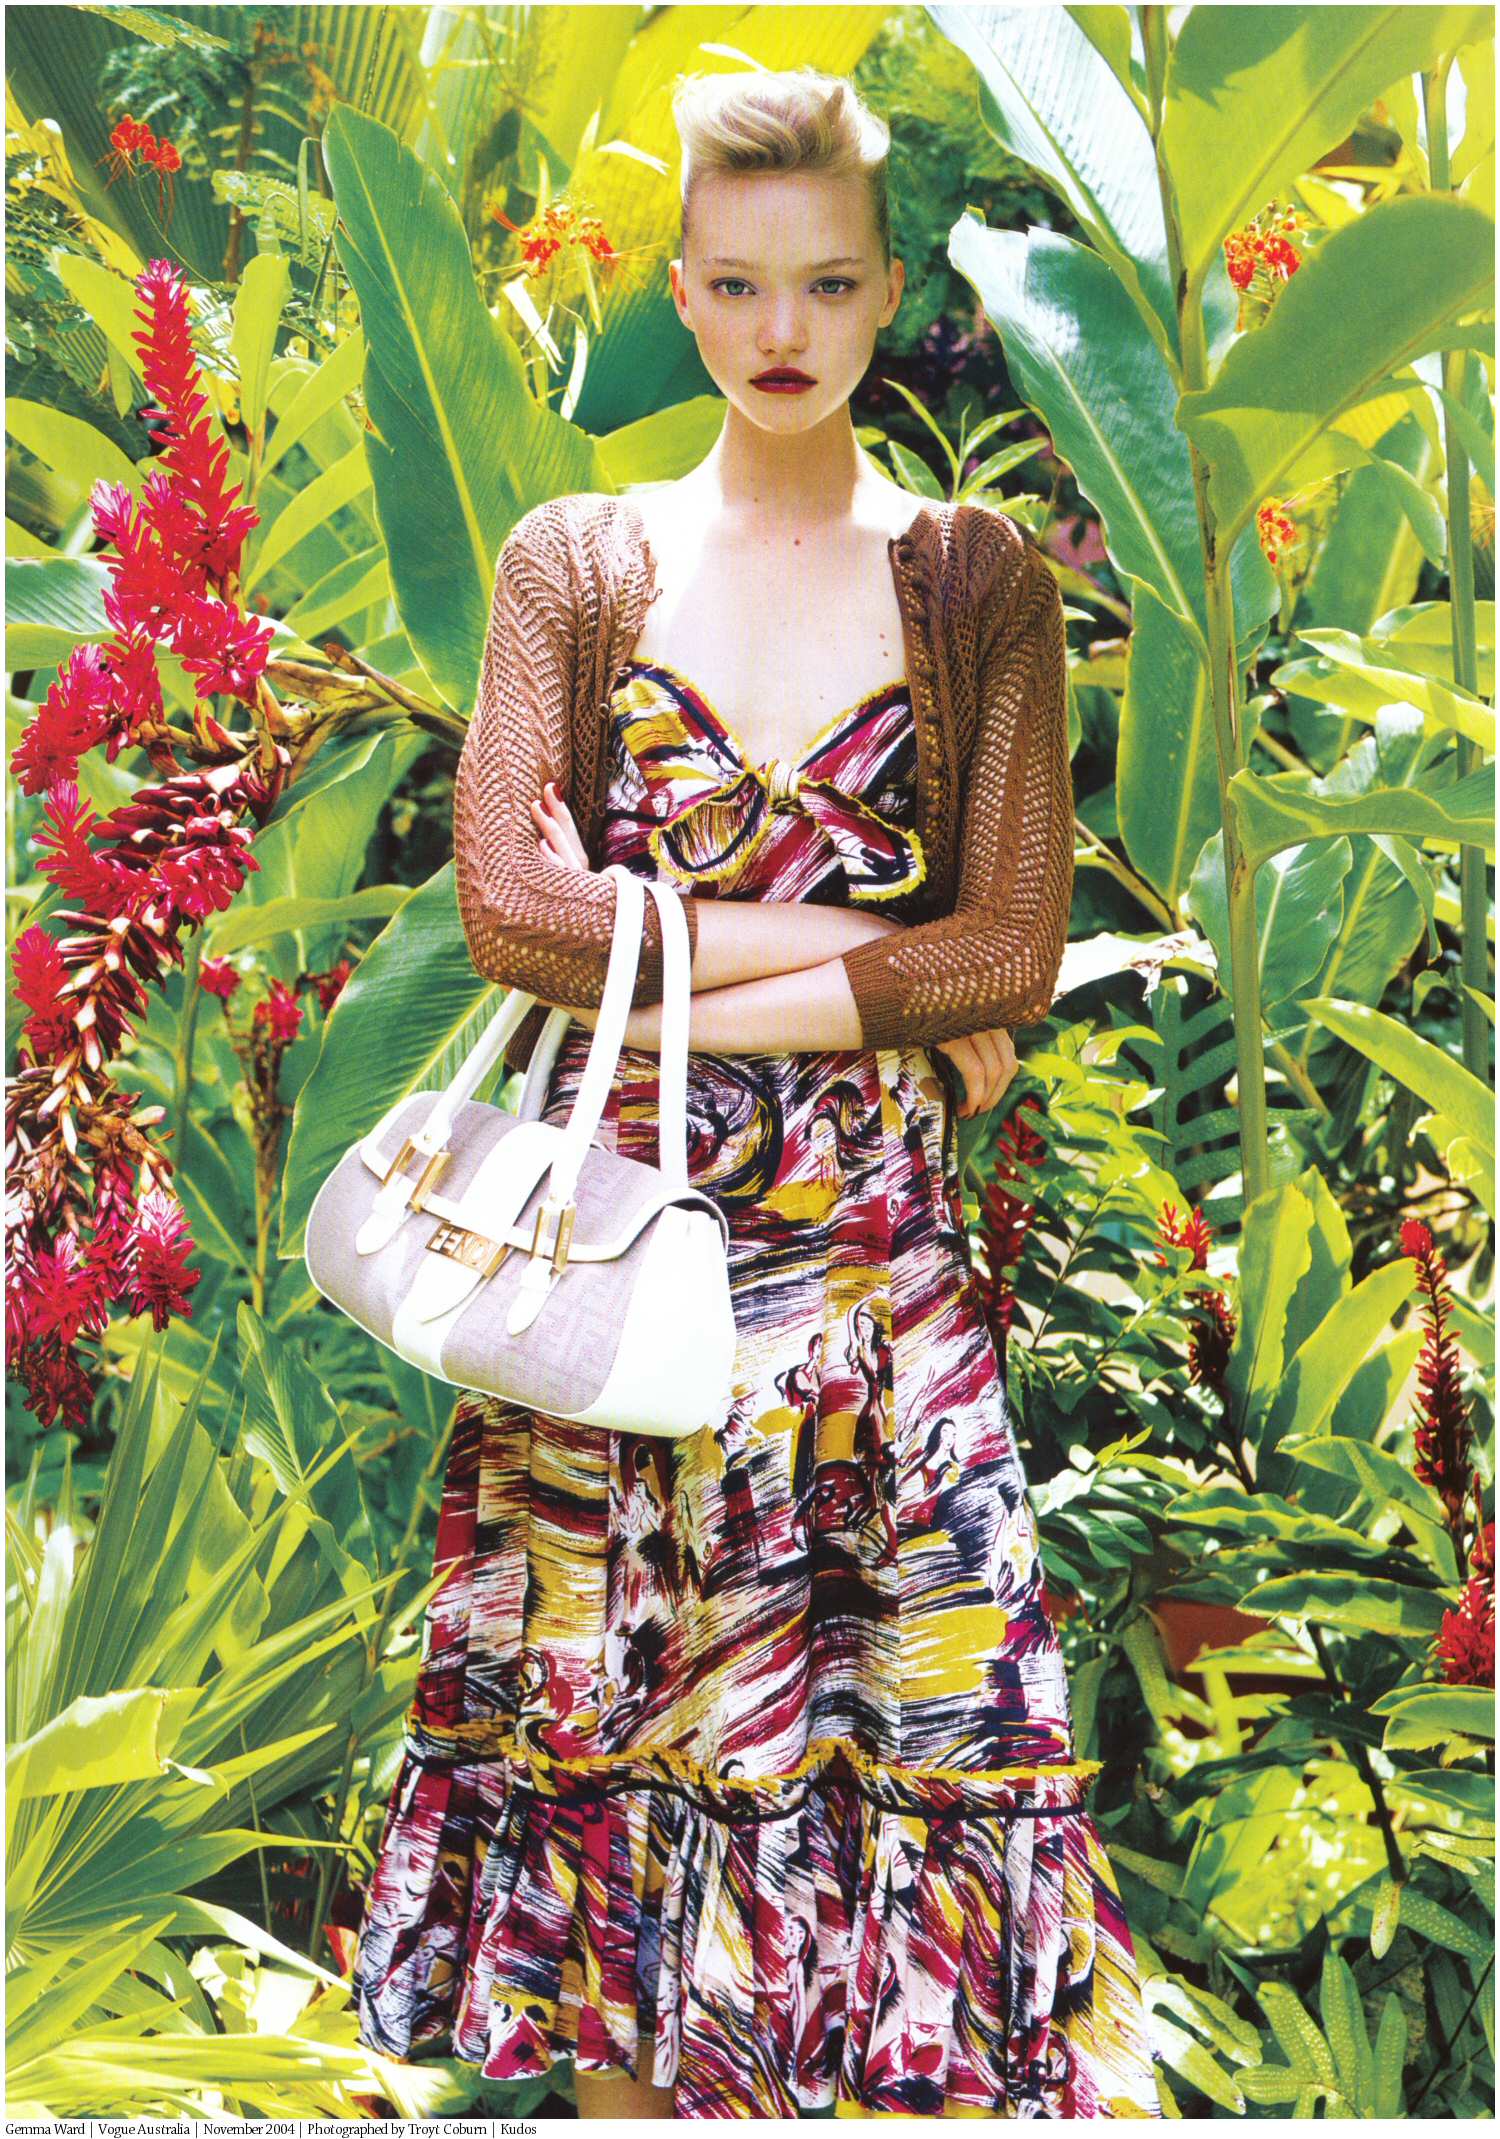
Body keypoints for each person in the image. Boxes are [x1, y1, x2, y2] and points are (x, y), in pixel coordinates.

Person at [351, 65, 1161, 2122]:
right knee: (618, 1845)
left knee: (928, 1791)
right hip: (628, 1287)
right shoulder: (578, 561)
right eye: (734, 284)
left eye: (824, 284)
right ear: (684, 295)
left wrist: (672, 952)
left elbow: (1012, 950)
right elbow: (516, 914)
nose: (779, 328)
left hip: (883, 1310)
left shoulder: (978, 581)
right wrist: (857, 960)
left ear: (891, 291)